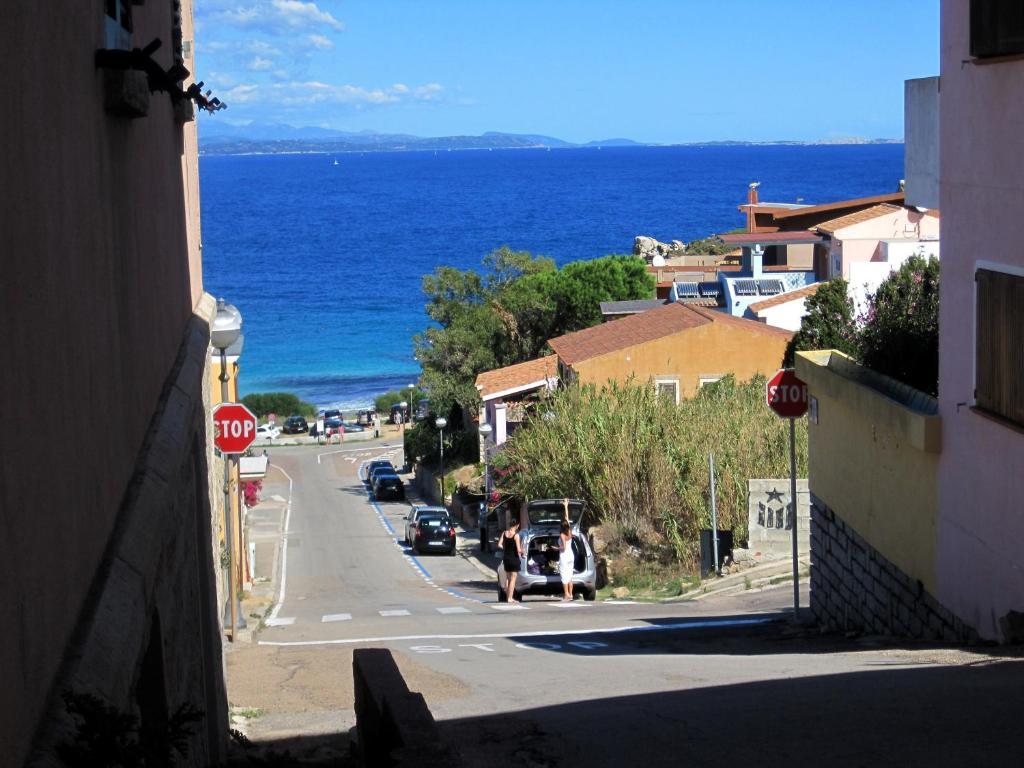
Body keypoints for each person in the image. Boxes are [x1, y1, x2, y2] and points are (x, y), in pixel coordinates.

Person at [497, 517, 523, 603]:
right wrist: (523, 551)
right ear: (517, 525)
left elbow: (499, 544)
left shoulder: (504, 533)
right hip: (514, 559)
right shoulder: (516, 536)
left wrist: (505, 548)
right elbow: (519, 550)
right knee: (513, 579)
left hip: (506, 558)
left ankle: (508, 597)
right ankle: (510, 598)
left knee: (508, 578)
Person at [557, 522, 575, 601]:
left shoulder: (562, 535)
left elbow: (563, 547)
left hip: (564, 556)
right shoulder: (570, 532)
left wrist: (556, 548)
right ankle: (571, 594)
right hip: (571, 555)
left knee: (564, 575)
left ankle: (566, 594)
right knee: (570, 576)